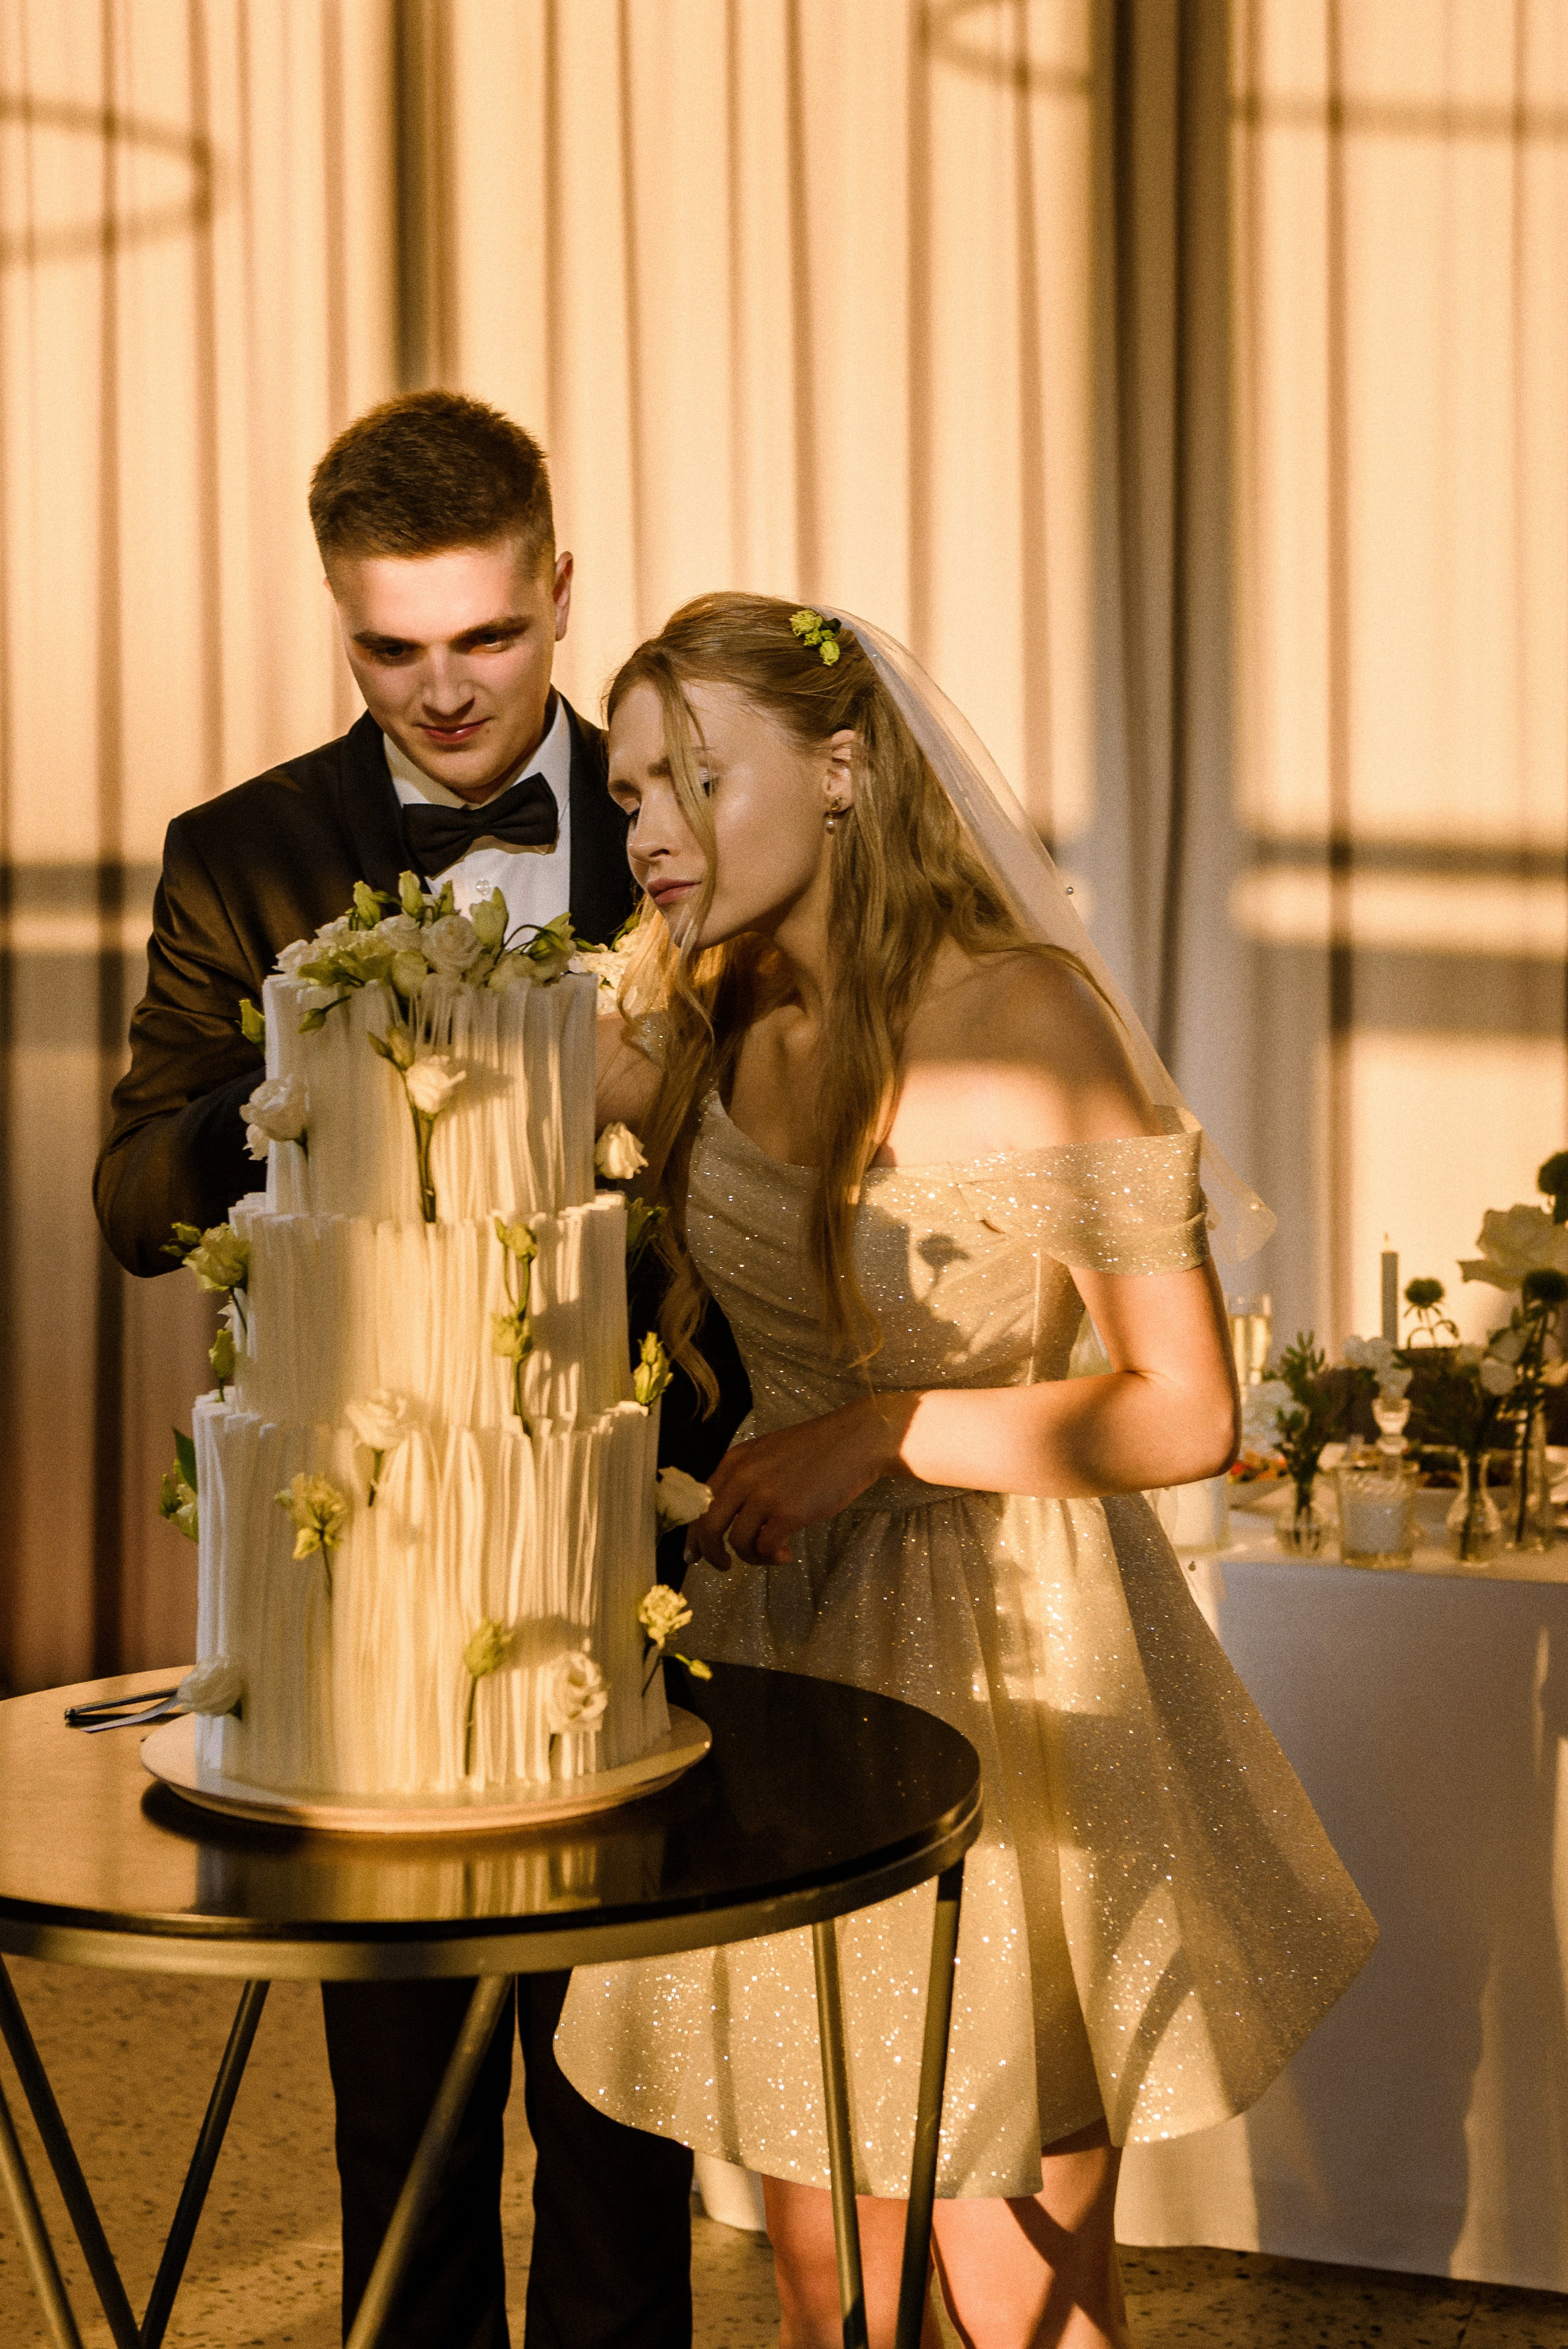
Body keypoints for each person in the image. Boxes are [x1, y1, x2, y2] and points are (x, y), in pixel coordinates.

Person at [556, 592, 1378, 2349]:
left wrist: (887, 1428)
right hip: (784, 1657)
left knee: (1011, 2292)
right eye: (628, 794)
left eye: (695, 777)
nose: (649, 832)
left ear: (842, 771)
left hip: (1010, 1669)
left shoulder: (1027, 1019)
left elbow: (1185, 1412)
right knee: (826, 2288)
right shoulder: (699, 1002)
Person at [94, 392, 746, 2349]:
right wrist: (324, 1065)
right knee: (406, 2121)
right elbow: (134, 1199)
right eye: (394, 647)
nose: (447, 690)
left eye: (488, 635)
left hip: (633, 1530)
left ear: (564, 589)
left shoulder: (692, 838)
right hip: (357, 1575)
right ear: (337, 616)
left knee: (624, 2108)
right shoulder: (241, 855)